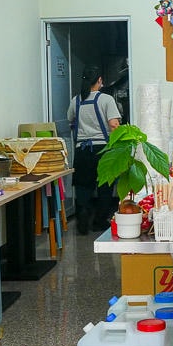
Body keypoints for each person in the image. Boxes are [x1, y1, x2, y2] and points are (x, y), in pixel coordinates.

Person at [68, 65, 122, 234]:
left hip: (82, 150)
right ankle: (99, 222)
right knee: (105, 187)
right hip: (103, 149)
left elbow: (70, 120)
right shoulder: (106, 99)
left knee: (83, 187)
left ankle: (82, 224)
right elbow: (114, 125)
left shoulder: (76, 100)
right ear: (99, 80)